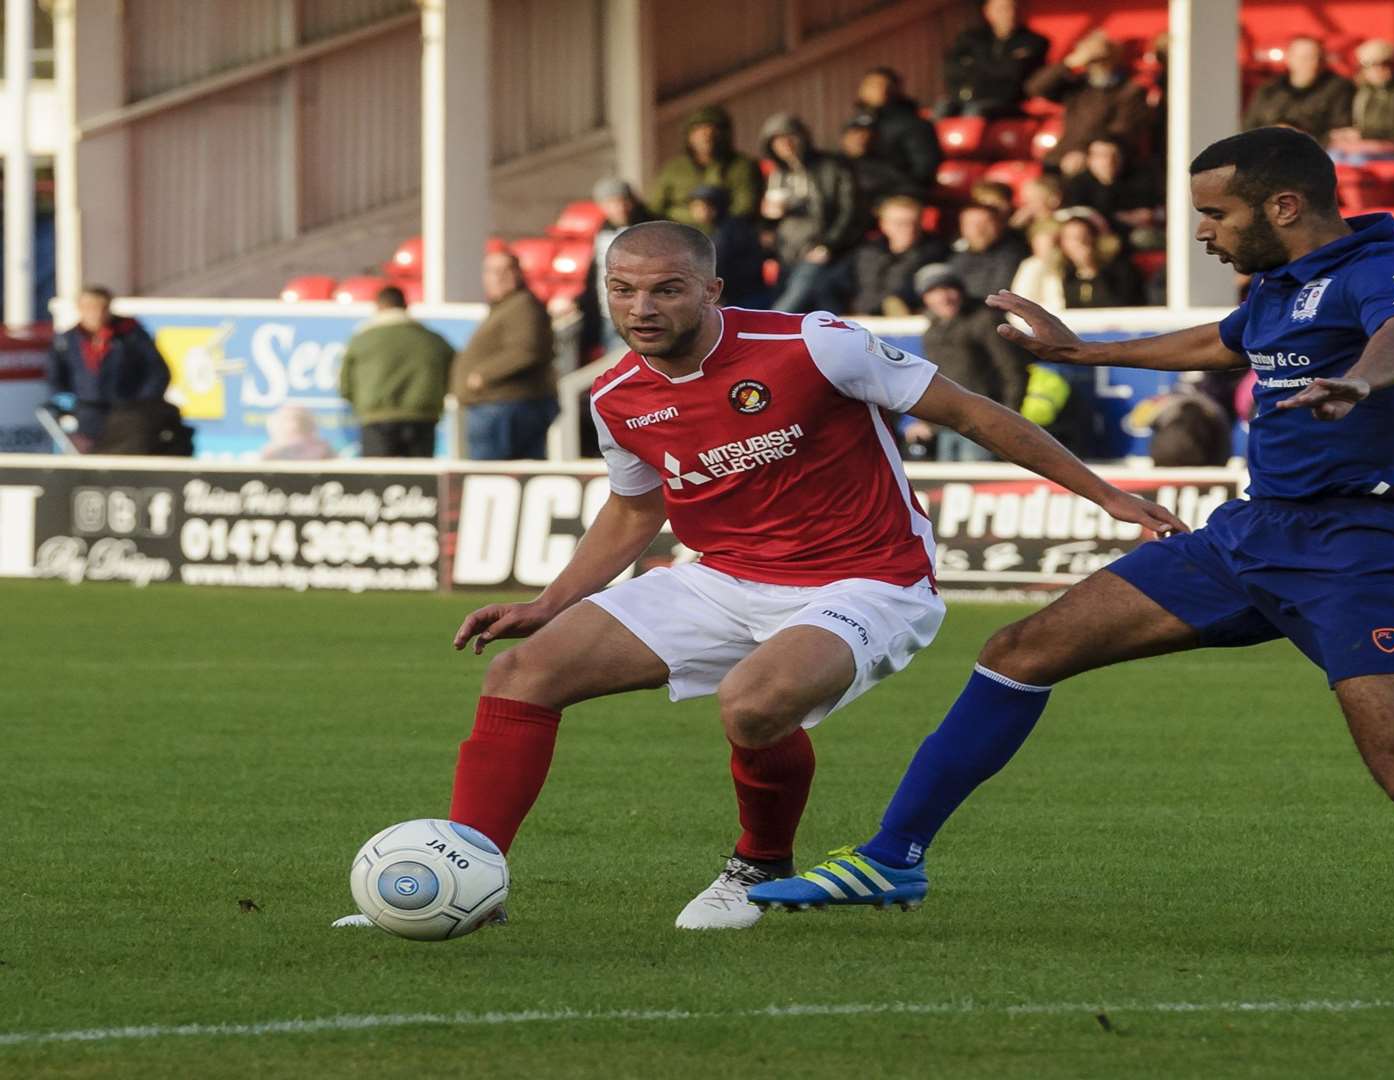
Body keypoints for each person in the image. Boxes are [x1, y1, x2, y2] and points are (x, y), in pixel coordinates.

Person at [749, 128, 1394, 964]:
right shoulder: (1274, 288)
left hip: (1362, 544)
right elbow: (1222, 340)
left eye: (1216, 218)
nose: (1204, 235)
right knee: (1018, 652)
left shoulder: (1391, 268)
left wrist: (1359, 379)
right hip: (1250, 534)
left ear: (1284, 207)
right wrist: (1082, 349)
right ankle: (893, 856)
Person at [329, 221, 1181, 933]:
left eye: (665, 288)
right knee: (525, 672)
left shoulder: (812, 345)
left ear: (711, 290)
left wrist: (1107, 495)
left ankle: (757, 864)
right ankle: (465, 875)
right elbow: (635, 510)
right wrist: (551, 604)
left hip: (868, 580)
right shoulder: (616, 396)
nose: (641, 306)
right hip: (721, 575)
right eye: (622, 289)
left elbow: (972, 413)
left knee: (753, 702)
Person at [905, 262, 1030, 460]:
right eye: (934, 291)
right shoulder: (932, 331)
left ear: (960, 291)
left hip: (984, 427)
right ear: (925, 298)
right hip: (946, 427)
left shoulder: (986, 321)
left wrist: (1007, 419)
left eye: (949, 288)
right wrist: (926, 422)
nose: (944, 297)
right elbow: (933, 381)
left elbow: (1013, 371)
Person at [453, 253, 558, 460]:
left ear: (519, 273)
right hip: (500, 407)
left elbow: (526, 350)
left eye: (507, 270)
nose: (500, 277)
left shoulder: (522, 306)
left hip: (505, 407)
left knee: (491, 480)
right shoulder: (507, 307)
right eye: (493, 271)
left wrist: (483, 374)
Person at [758, 113, 864, 313]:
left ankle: (768, 329)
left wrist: (829, 245)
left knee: (792, 303)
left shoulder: (833, 167)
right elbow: (770, 220)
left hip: (820, 249)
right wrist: (767, 222)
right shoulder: (777, 175)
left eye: (791, 137)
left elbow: (850, 212)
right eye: (778, 141)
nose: (786, 144)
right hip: (786, 254)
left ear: (803, 137)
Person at [45, 285, 170, 452]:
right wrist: (67, 401)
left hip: (126, 414)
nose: (95, 314)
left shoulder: (130, 335)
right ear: (79, 309)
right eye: (88, 308)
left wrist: (142, 404)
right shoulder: (66, 341)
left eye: (100, 308)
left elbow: (158, 372)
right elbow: (55, 376)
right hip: (87, 415)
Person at [339, 286, 454, 458]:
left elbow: (345, 386)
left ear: (378, 307)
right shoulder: (433, 340)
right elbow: (451, 376)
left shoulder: (361, 340)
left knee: (379, 480)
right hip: (422, 419)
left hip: (376, 420)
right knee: (419, 480)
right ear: (405, 306)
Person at [1026, 29, 1153, 174]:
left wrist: (1085, 154)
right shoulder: (1079, 85)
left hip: (1104, 162)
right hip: (1062, 157)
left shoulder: (1129, 90)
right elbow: (1035, 88)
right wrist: (1071, 62)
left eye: (1099, 54)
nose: (1095, 60)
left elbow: (1122, 132)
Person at [649, 105, 763, 230]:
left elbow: (745, 207)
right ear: (689, 136)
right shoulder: (674, 169)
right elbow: (654, 208)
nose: (706, 135)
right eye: (698, 130)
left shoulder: (742, 166)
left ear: (725, 134)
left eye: (713, 130)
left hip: (724, 237)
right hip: (679, 236)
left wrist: (713, 221)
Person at [940, 0, 1050, 119]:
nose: (1009, 13)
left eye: (1013, 8)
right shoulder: (971, 38)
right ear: (988, 12)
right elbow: (951, 68)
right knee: (942, 108)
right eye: (1002, 9)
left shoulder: (1035, 41)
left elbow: (1014, 72)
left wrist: (974, 63)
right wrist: (998, 64)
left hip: (1010, 102)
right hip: (970, 96)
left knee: (974, 111)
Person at [581, 177, 653, 357]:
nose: (620, 208)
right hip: (607, 312)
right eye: (612, 203)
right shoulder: (602, 230)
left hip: (638, 311)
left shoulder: (651, 227)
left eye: (623, 201)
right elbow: (595, 272)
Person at [1242, 35, 1355, 142]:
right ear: (1289, 59)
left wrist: (1297, 134)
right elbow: (1249, 125)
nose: (1310, 63)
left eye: (1315, 57)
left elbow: (1341, 130)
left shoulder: (1339, 88)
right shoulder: (1269, 89)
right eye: (1303, 58)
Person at [847, 195, 945, 317]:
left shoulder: (935, 254)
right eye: (899, 223)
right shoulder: (866, 252)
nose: (909, 229)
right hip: (860, 318)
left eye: (914, 223)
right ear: (884, 224)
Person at [853, 67, 941, 192]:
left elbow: (923, 174)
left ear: (894, 90)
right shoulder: (858, 124)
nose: (873, 90)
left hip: (900, 195)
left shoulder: (915, 125)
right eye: (868, 85)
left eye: (878, 85)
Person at [686, 185, 769, 308]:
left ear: (714, 208)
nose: (695, 211)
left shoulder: (729, 232)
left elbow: (719, 267)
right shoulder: (722, 228)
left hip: (744, 300)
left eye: (700, 206)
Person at [1059, 137, 1161, 234]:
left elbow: (1150, 212)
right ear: (1090, 160)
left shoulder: (1138, 180)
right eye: (1102, 156)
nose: (1108, 161)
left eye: (1114, 155)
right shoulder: (1077, 185)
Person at [1056, 211, 1143, 307]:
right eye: (1073, 238)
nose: (1080, 243)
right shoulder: (1067, 276)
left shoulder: (1120, 270)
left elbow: (1116, 304)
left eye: (1084, 236)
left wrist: (1090, 268)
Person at [947, 202, 1028, 299]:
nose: (978, 230)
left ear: (1000, 225)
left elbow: (996, 295)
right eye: (971, 224)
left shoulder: (1013, 255)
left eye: (985, 223)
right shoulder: (957, 257)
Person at [840, 115, 918, 208]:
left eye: (867, 133)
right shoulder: (831, 166)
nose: (861, 138)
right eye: (856, 132)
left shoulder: (885, 166)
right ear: (843, 138)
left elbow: (911, 189)